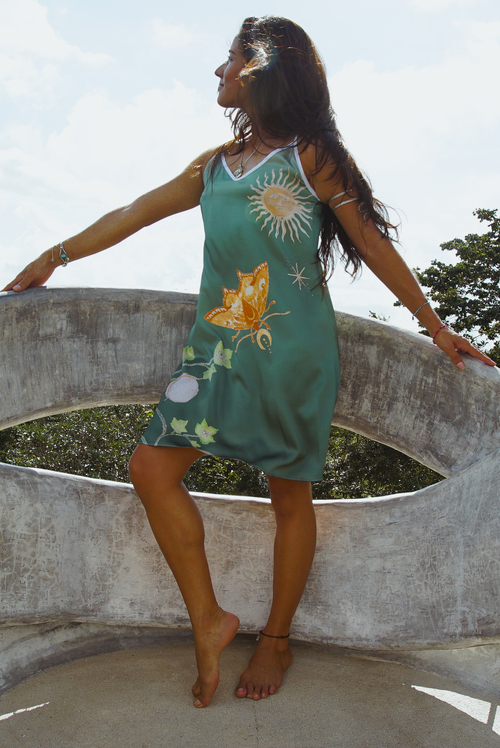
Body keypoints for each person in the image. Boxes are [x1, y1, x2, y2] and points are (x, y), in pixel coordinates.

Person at [3, 16, 496, 708]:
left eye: (230, 58)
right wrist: (54, 256)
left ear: (262, 69)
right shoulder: (213, 166)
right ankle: (209, 619)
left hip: (291, 352)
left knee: (288, 495)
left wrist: (436, 327)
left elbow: (371, 243)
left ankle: (277, 640)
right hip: (215, 350)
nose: (218, 71)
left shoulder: (311, 156)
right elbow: (135, 211)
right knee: (150, 468)